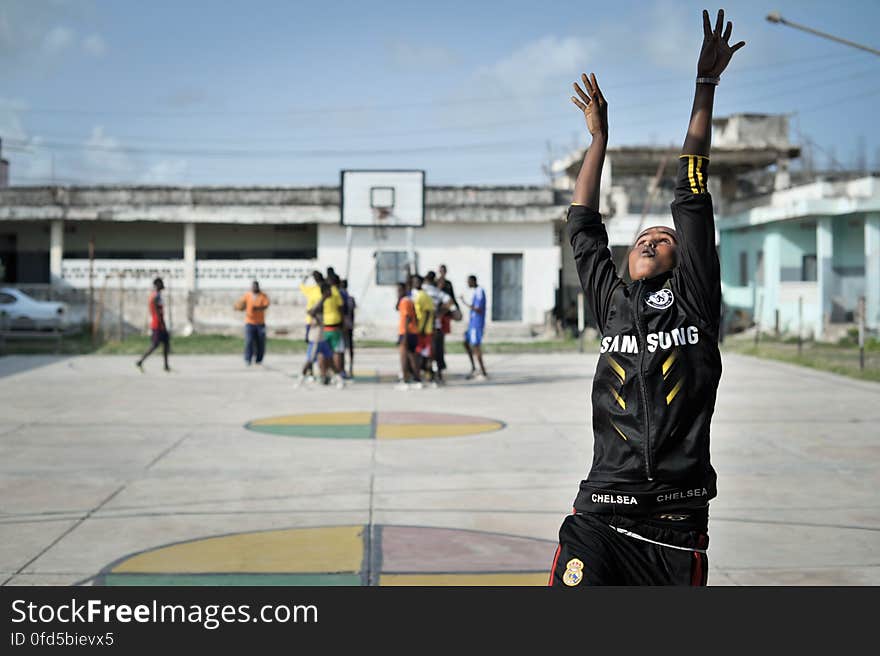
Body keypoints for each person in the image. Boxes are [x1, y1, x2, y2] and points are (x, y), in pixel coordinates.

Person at [548, 9, 743, 587]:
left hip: (676, 524)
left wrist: (704, 85)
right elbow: (583, 223)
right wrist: (599, 139)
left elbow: (691, 188)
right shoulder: (611, 299)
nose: (652, 239)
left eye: (665, 239)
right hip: (602, 512)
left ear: (687, 261)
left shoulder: (694, 302)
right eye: (643, 237)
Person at [304, 282, 344, 389]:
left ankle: (330, 376)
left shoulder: (324, 301)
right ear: (326, 292)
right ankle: (303, 376)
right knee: (313, 358)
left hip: (323, 333)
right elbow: (310, 312)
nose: (331, 292)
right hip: (319, 335)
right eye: (329, 291)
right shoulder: (321, 302)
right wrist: (317, 320)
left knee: (328, 357)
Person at [423, 271, 453, 383]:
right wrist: (440, 312)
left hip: (425, 326)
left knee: (428, 351)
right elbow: (450, 301)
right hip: (436, 326)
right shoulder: (437, 292)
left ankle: (429, 372)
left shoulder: (423, 289)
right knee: (437, 351)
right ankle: (438, 373)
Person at [136, 277, 170, 372]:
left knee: (166, 344)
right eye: (161, 283)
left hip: (159, 324)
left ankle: (166, 366)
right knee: (155, 345)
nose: (163, 284)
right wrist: (162, 324)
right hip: (157, 324)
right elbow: (157, 312)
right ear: (158, 285)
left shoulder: (157, 295)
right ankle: (140, 361)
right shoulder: (155, 296)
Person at [235, 280, 270, 366]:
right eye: (253, 286)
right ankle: (248, 359)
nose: (254, 288)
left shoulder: (263, 296)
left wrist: (257, 308)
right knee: (249, 341)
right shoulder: (247, 295)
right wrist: (238, 307)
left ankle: (259, 359)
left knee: (260, 342)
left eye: (256, 286)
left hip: (260, 323)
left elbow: (266, 305)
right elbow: (241, 304)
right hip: (250, 322)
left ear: (258, 287)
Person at [394, 281, 422, 389]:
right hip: (413, 331)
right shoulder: (409, 300)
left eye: (399, 290)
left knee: (404, 357)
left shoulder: (405, 302)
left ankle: (405, 379)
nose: (397, 293)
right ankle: (417, 378)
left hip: (406, 332)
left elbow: (407, 318)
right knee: (412, 356)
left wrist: (405, 335)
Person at [460, 275, 488, 380]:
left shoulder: (480, 291)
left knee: (476, 346)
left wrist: (465, 303)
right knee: (466, 342)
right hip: (472, 324)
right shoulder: (476, 292)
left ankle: (483, 371)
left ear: (473, 281)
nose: (467, 284)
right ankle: (474, 367)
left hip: (477, 324)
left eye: (468, 282)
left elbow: (478, 309)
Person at [410, 274, 436, 383]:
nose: (414, 284)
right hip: (419, 329)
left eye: (416, 282)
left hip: (425, 330)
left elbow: (429, 312)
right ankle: (422, 373)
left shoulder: (423, 296)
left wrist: (423, 329)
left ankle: (429, 374)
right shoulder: (416, 295)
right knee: (421, 353)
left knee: (426, 353)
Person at [298, 270, 324, 380]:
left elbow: (301, 285)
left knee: (316, 348)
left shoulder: (317, 290)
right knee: (313, 348)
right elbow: (301, 286)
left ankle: (314, 371)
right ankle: (311, 372)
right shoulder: (317, 290)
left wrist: (306, 276)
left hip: (316, 322)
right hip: (313, 322)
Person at [339, 278, 357, 378]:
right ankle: (350, 366)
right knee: (349, 347)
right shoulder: (351, 298)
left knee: (342, 347)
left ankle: (344, 367)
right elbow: (353, 313)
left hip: (343, 325)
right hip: (349, 325)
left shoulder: (342, 297)